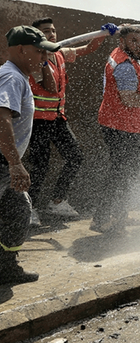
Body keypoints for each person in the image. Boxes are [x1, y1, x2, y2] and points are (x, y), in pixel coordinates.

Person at [27, 18, 111, 226]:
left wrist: (102, 34)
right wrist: (45, 58)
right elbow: (51, 88)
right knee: (39, 166)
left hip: (57, 119)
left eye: (53, 30)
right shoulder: (34, 60)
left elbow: (87, 48)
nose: (52, 34)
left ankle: (57, 201)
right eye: (46, 31)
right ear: (36, 36)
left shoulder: (60, 53)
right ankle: (30, 209)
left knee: (75, 156)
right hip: (38, 121)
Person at [90, 26, 140, 233]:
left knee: (126, 172)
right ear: (122, 42)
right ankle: (102, 219)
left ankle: (119, 215)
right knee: (119, 174)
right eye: (134, 41)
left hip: (121, 124)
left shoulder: (125, 56)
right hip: (120, 127)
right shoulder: (125, 65)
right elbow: (130, 99)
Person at [0, 25, 60, 284]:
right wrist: (15, 164)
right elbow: (2, 120)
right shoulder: (11, 78)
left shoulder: (18, 76)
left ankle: (6, 266)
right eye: (39, 52)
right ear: (22, 49)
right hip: (3, 162)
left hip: (6, 162)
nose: (44, 58)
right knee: (18, 210)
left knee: (18, 210)